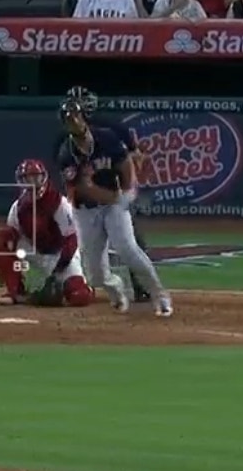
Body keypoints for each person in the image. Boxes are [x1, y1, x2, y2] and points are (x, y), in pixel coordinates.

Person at [55, 98, 172, 317]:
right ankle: (116, 289)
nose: (75, 122)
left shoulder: (106, 138)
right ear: (66, 124)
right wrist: (117, 198)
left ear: (84, 117)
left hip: (114, 206)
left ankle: (159, 295)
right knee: (95, 274)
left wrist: (128, 191)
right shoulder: (66, 154)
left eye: (77, 116)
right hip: (86, 210)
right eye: (69, 119)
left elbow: (125, 163)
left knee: (128, 249)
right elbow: (84, 188)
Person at [0, 159, 93, 308]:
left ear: (43, 178)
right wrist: (3, 268)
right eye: (28, 178)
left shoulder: (58, 203)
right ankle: (15, 292)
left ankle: (79, 288)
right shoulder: (18, 207)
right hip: (35, 251)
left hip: (61, 254)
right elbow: (11, 239)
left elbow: (71, 241)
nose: (32, 182)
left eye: (35, 177)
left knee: (79, 297)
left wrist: (57, 272)